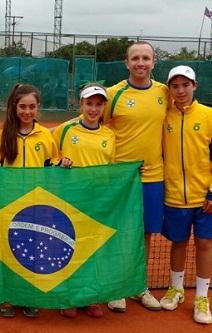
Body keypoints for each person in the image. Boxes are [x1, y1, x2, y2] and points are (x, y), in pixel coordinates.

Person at [0, 83, 67, 318]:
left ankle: (28, 295)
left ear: (38, 108)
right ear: (14, 108)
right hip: (10, 206)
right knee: (10, 250)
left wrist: (63, 164)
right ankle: (8, 296)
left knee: (33, 252)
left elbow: (52, 165)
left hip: (38, 206)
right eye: (22, 106)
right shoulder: (5, 135)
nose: (27, 111)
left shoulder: (46, 136)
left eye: (32, 107)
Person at [104, 41, 168, 313]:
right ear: (126, 63)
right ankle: (116, 287)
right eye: (135, 58)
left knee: (144, 235)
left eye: (146, 58)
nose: (141, 63)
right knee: (118, 232)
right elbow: (91, 121)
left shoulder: (165, 92)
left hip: (154, 177)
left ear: (153, 62)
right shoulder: (113, 94)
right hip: (120, 179)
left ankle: (138, 286)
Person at [52, 83, 115, 318]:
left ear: (103, 108)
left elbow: (111, 169)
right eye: (89, 103)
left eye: (99, 104)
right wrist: (59, 161)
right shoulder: (65, 129)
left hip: (96, 201)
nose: (93, 108)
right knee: (68, 247)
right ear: (81, 104)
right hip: (69, 199)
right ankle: (67, 296)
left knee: (91, 249)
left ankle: (89, 297)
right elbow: (47, 150)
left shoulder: (109, 135)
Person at [159, 66, 212, 325]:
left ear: (195, 86)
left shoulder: (209, 115)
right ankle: (176, 289)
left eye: (185, 85)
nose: (180, 90)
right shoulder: (164, 116)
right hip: (173, 196)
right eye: (175, 86)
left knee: (204, 244)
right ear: (170, 89)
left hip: (204, 197)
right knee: (177, 243)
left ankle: (202, 297)